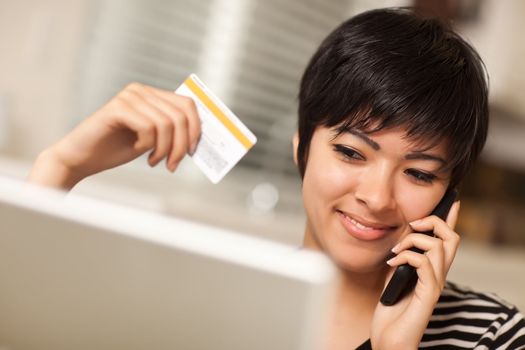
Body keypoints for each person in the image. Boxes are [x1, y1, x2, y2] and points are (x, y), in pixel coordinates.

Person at [28, 7, 525, 350]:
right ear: (300, 148)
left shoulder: (497, 336)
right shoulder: (212, 303)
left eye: (418, 173)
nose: (376, 198)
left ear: (448, 194)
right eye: (352, 152)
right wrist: (60, 167)